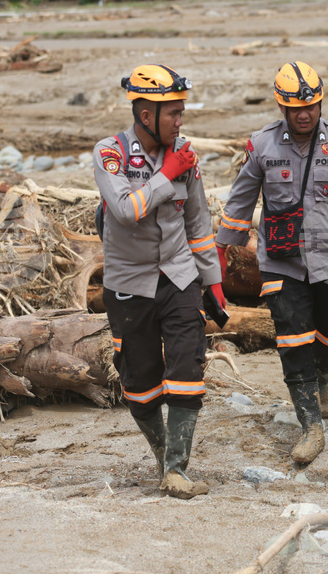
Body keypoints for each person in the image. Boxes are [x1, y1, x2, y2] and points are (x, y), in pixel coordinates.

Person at [216, 61, 328, 464]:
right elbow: (240, 200)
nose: (304, 113)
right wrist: (221, 253)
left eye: (311, 105)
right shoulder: (262, 146)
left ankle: (323, 377)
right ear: (282, 108)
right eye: (295, 108)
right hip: (280, 261)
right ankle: (311, 427)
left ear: (320, 102)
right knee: (292, 340)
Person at [94, 64, 225, 498]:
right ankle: (161, 452)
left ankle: (177, 469)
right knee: (140, 383)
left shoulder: (184, 154)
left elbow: (198, 221)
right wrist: (166, 175)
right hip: (128, 284)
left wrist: (214, 283)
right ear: (146, 115)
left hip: (179, 274)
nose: (180, 121)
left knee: (188, 365)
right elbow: (126, 210)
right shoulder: (109, 153)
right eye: (173, 113)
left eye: (182, 112)